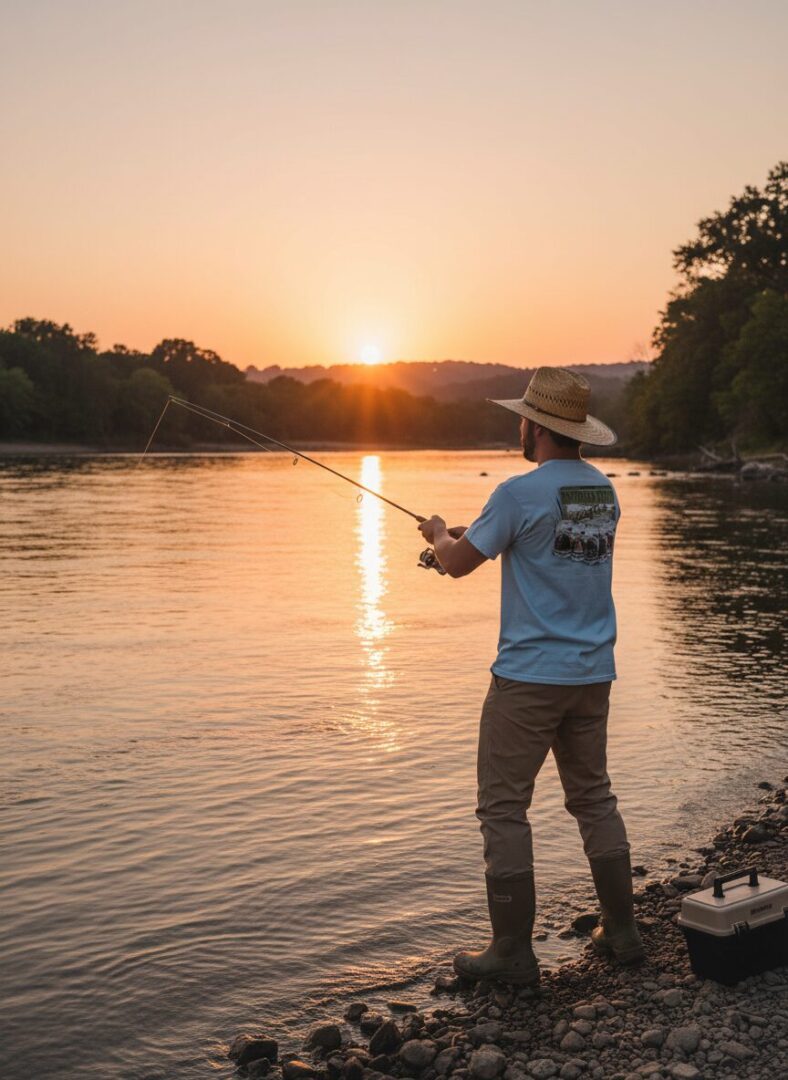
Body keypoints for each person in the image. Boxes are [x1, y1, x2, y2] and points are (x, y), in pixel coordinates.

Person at [418, 367, 644, 985]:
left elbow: (457, 564)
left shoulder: (517, 493)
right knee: (594, 799)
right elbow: (553, 543)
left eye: (523, 418)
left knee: (503, 809)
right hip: (592, 673)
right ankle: (623, 931)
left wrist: (438, 534)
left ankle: (512, 952)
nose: (519, 426)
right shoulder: (604, 491)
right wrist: (472, 535)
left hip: (528, 679)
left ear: (537, 427)